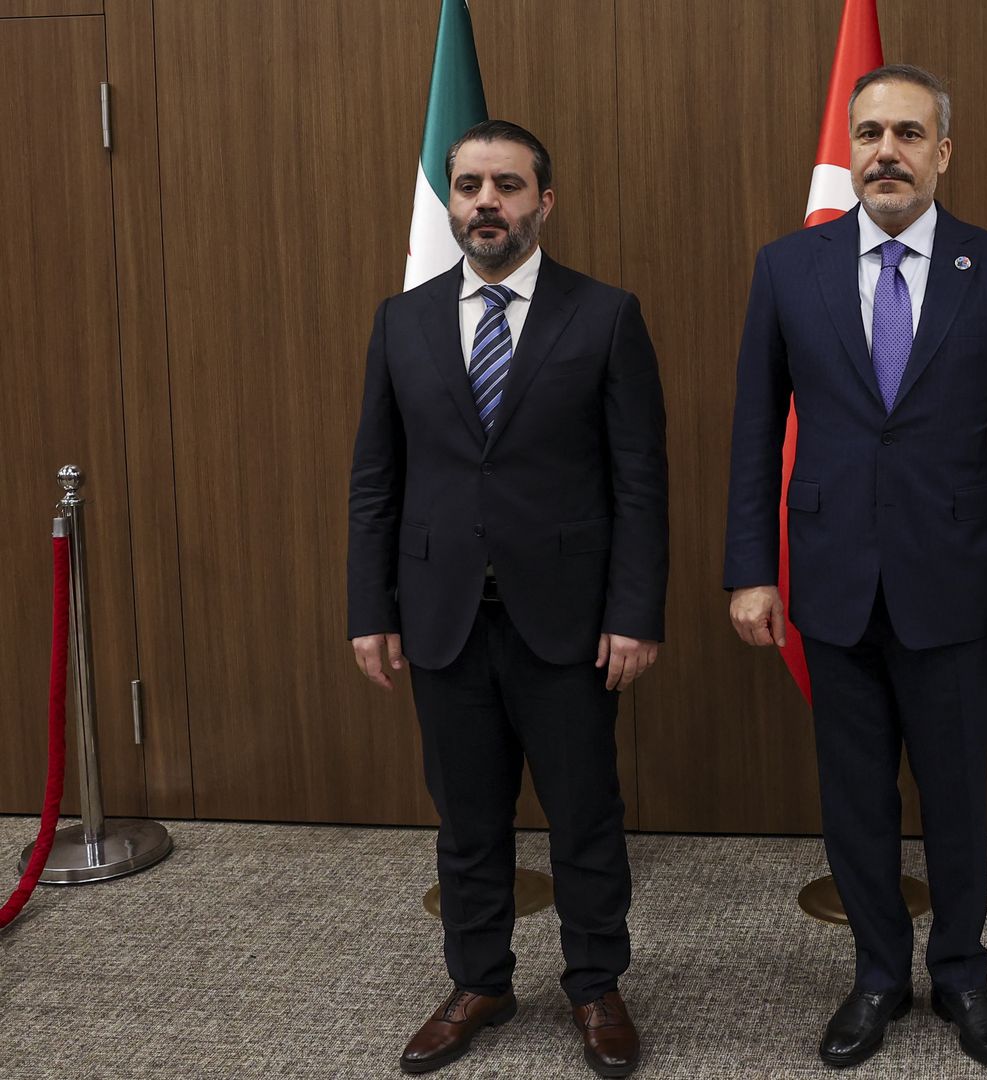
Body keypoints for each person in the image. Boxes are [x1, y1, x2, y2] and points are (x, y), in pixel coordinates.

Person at [723, 64, 987, 1072]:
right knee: (855, 797)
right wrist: (751, 569)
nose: (887, 152)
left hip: (956, 583)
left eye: (909, 133)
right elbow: (755, 433)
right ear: (851, 148)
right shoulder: (788, 267)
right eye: (870, 132)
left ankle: (961, 973)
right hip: (830, 582)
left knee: (955, 797)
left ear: (942, 153)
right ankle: (878, 973)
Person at [346, 119, 667, 1078]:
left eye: (508, 186)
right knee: (466, 818)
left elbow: (640, 482)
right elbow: (376, 481)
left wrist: (634, 612)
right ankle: (478, 981)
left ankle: (596, 984)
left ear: (544, 202)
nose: (487, 202)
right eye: (470, 186)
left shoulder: (605, 315)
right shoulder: (401, 320)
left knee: (585, 816)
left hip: (568, 621)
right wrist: (371, 609)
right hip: (441, 615)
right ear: (451, 202)